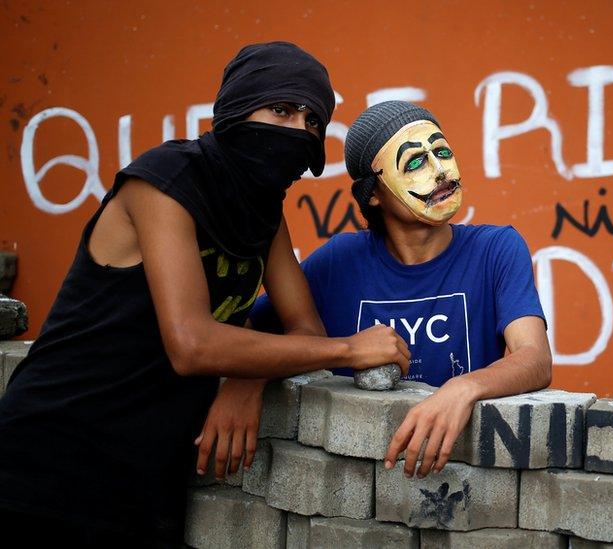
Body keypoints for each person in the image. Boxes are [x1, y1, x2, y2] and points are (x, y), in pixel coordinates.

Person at [0, 42, 409, 545]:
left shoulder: (265, 213)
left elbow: (302, 325)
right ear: (239, 109)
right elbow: (191, 344)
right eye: (281, 109)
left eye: (311, 121)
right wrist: (351, 348)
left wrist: (246, 378)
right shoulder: (164, 183)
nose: (297, 130)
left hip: (149, 473)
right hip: (50, 460)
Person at [248, 100, 552, 481]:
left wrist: (463, 388)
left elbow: (535, 359)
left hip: (462, 478)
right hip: (353, 484)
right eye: (414, 162)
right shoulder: (339, 261)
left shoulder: (496, 249)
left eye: (441, 152)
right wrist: (245, 383)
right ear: (373, 193)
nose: (440, 170)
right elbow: (248, 331)